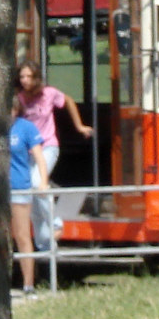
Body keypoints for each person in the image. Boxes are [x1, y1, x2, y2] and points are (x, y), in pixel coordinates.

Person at [15, 60, 93, 252]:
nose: (24, 80)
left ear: (36, 78)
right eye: (22, 77)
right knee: (30, 197)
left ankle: (56, 222)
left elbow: (68, 101)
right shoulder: (20, 98)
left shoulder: (49, 94)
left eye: (28, 77)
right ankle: (45, 246)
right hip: (28, 151)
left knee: (36, 183)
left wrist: (79, 126)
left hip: (48, 146)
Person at [8, 99, 49, 298]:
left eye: (11, 108)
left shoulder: (26, 128)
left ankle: (28, 284)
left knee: (23, 235)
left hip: (19, 188)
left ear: (17, 109)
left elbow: (40, 158)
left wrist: (43, 181)